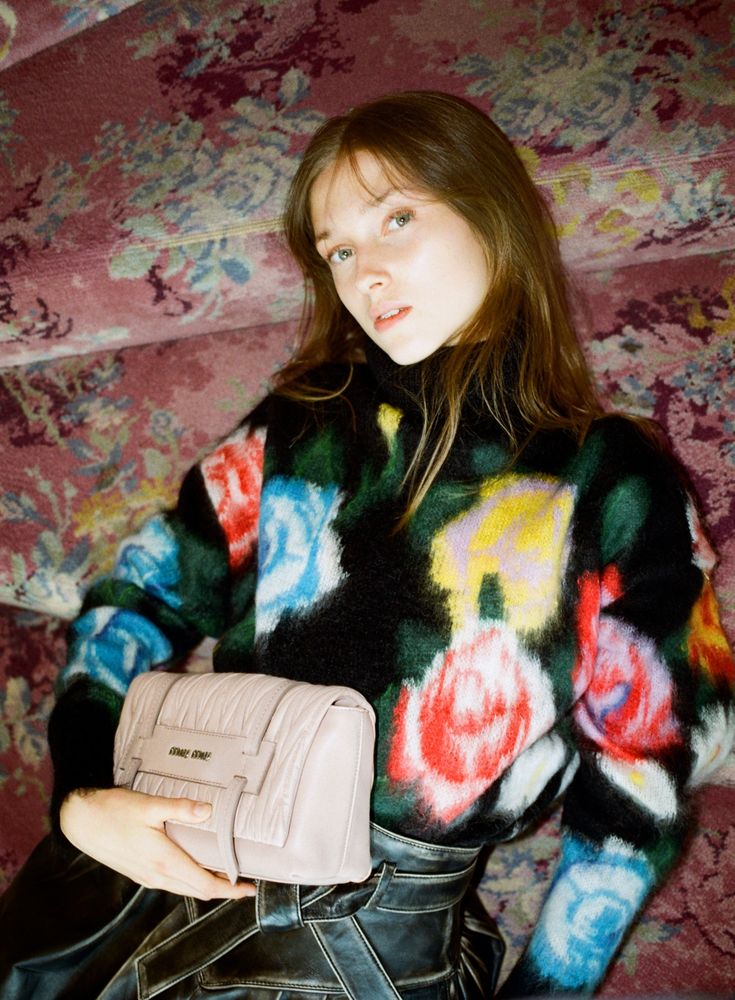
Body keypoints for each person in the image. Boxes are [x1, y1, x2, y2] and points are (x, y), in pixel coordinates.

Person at [1, 90, 733, 999]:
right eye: (339, 250)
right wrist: (81, 799)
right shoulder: (299, 426)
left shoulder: (608, 479)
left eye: (395, 220)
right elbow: (134, 598)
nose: (366, 274)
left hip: (357, 949)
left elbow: (642, 784)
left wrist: (546, 991)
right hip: (129, 884)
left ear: (493, 215)